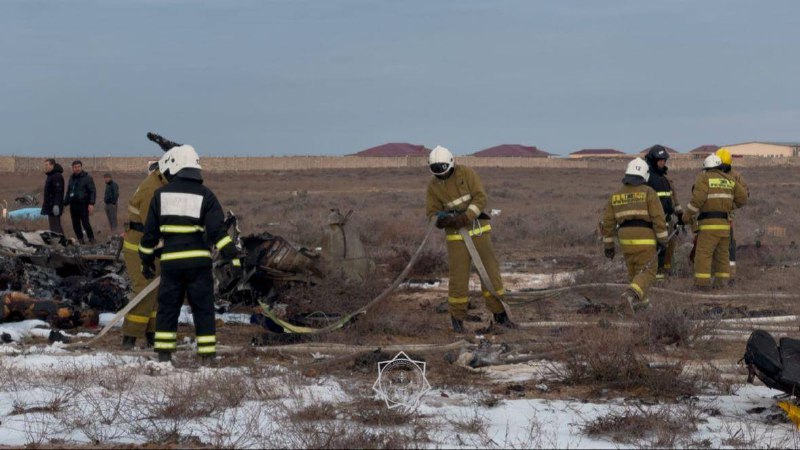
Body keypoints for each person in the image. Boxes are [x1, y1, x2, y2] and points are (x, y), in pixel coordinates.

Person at [139, 145, 240, 362]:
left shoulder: (160, 195)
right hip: (199, 264)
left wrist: (146, 260)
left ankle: (164, 356)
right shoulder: (207, 195)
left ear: (173, 166)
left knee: (167, 309)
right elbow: (217, 233)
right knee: (203, 310)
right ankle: (207, 356)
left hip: (171, 264)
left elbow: (149, 236)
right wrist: (233, 255)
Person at [425, 145, 516, 333]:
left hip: (479, 231)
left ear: (450, 164)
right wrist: (442, 220)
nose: (441, 176)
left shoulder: (466, 174)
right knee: (458, 279)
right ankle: (457, 320)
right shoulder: (433, 186)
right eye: (437, 172)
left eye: (443, 171)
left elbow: (480, 198)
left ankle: (500, 316)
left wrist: (466, 217)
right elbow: (432, 213)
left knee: (490, 274)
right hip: (456, 238)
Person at [602, 157, 668, 312]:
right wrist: (663, 240)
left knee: (633, 272)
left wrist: (609, 246)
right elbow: (658, 218)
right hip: (644, 237)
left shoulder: (615, 195)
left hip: (625, 239)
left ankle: (640, 304)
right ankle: (630, 295)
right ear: (644, 175)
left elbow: (608, 223)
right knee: (648, 271)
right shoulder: (648, 192)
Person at [120, 160, 170, 350]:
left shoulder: (159, 184)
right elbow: (153, 224)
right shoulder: (152, 190)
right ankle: (130, 336)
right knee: (144, 289)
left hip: (150, 245)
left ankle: (152, 333)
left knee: (156, 292)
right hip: (140, 247)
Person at [682, 154, 748, 290]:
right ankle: (722, 284)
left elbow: (697, 201)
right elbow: (743, 198)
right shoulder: (729, 179)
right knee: (723, 256)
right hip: (725, 226)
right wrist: (729, 206)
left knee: (703, 254)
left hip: (708, 225)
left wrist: (686, 217)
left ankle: (702, 284)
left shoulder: (704, 178)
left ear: (706, 168)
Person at [643, 145, 683, 280]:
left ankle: (665, 274)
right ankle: (655, 278)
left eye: (664, 160)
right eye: (660, 160)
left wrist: (680, 215)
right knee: (657, 251)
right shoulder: (647, 178)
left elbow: (672, 198)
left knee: (668, 249)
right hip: (653, 222)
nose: (662, 162)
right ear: (653, 160)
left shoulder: (665, 179)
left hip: (667, 220)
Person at [716, 147, 749, 282]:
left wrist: (731, 206)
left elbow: (745, 194)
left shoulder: (735, 176)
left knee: (728, 244)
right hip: (712, 215)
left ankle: (730, 274)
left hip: (726, 217)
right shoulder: (711, 174)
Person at [64, 160, 96, 244]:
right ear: (72, 168)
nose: (77, 169)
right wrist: (64, 203)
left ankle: (92, 239)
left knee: (85, 223)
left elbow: (92, 191)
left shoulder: (87, 178)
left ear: (81, 167)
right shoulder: (71, 178)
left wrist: (91, 203)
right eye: (75, 167)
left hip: (83, 204)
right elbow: (68, 191)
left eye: (78, 167)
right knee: (75, 224)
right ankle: (81, 240)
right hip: (73, 205)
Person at [41, 158, 65, 234]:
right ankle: (62, 241)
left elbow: (58, 192)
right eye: (45, 165)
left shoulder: (56, 176)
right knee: (55, 225)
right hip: (50, 205)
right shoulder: (51, 176)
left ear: (52, 165)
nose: (45, 167)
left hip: (54, 206)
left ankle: (59, 242)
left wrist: (56, 205)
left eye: (47, 165)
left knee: (55, 227)